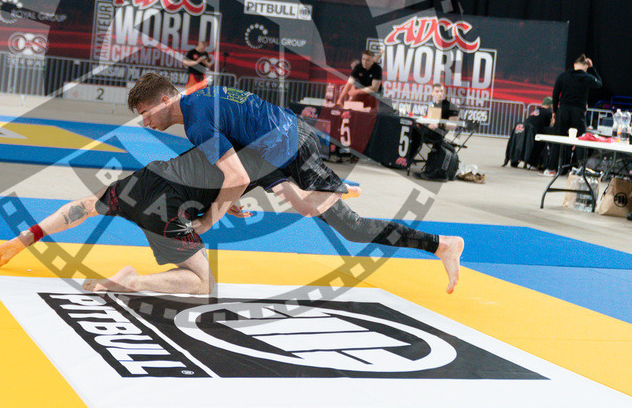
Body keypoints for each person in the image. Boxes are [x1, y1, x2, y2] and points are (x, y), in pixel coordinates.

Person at [124, 72, 464, 293]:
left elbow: (237, 175)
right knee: (311, 209)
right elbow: (236, 166)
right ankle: (440, 244)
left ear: (165, 100)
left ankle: (339, 191)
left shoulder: (196, 120)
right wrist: (232, 194)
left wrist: (211, 217)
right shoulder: (200, 102)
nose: (144, 121)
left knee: (342, 223)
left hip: (288, 146)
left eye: (145, 112)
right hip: (272, 149)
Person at [0, 145, 462, 293]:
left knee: (93, 203)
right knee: (201, 286)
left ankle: (440, 245)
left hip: (150, 184)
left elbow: (79, 209)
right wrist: (220, 209)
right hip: (181, 206)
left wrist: (24, 239)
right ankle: (130, 283)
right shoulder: (272, 153)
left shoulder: (220, 138)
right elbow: (269, 192)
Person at [544, 54, 602, 175]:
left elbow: (555, 95)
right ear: (585, 66)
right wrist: (592, 69)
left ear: (574, 65)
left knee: (558, 139)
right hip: (578, 112)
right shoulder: (587, 77)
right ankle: (578, 168)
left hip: (563, 110)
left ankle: (552, 168)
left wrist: (555, 111)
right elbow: (599, 84)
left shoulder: (563, 76)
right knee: (580, 140)